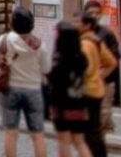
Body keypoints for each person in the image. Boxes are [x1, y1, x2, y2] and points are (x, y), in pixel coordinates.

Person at [0, 7, 51, 157]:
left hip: (10, 89)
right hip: (33, 90)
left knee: (10, 133)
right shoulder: (40, 45)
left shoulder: (4, 40)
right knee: (38, 135)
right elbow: (46, 68)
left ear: (12, 23)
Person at [49, 22, 94, 157]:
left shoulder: (59, 60)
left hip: (62, 104)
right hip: (79, 102)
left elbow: (54, 82)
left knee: (64, 140)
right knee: (80, 141)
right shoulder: (81, 57)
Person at [78, 11, 117, 157]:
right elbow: (111, 62)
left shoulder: (85, 44)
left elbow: (82, 70)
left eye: (78, 22)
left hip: (88, 91)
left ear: (87, 25)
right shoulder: (95, 40)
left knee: (87, 133)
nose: (76, 25)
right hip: (96, 90)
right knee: (94, 130)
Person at [84, 1, 121, 122]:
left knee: (104, 112)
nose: (94, 15)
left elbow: (115, 56)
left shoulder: (107, 34)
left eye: (97, 13)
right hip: (86, 80)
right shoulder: (81, 32)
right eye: (91, 13)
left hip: (105, 80)